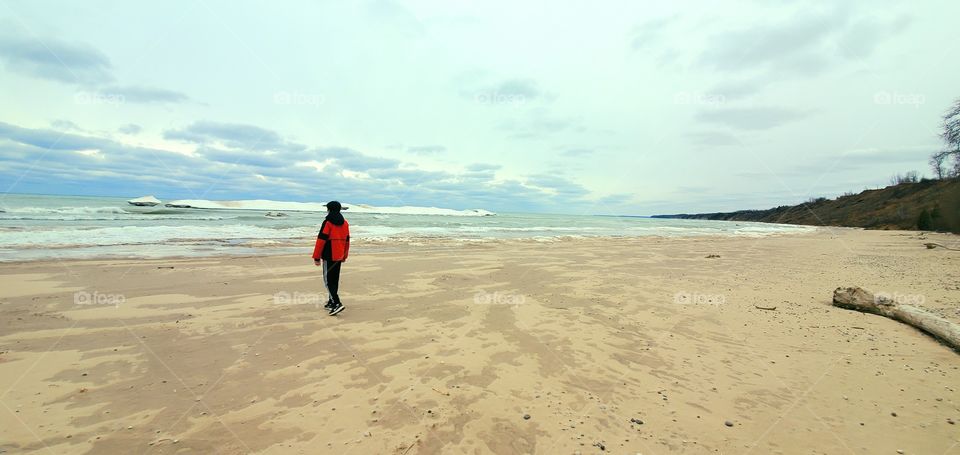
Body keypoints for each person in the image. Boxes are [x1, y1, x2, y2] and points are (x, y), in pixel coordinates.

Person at [312, 201, 350, 315]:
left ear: (329, 209)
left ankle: (337, 303)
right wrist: (344, 255)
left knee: (328, 280)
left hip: (329, 255)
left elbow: (321, 240)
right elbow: (347, 241)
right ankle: (331, 302)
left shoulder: (327, 222)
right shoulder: (345, 223)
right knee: (334, 279)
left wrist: (316, 256)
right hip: (338, 255)